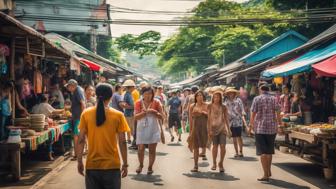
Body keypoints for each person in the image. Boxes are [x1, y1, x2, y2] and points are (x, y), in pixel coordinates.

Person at [77, 83, 129, 189]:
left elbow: (81, 140)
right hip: (112, 166)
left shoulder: (86, 114)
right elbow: (122, 142)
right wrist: (125, 163)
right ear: (111, 96)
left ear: (96, 95)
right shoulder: (118, 115)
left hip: (92, 165)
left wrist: (79, 161)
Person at [249, 83, 281, 182]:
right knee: (269, 151)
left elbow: (253, 113)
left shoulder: (257, 99)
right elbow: (278, 112)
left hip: (260, 128)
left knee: (263, 152)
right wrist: (279, 124)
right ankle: (268, 170)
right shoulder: (274, 98)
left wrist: (250, 126)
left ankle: (265, 175)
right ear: (268, 89)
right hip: (272, 128)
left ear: (260, 89)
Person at [134, 87, 164, 175]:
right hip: (141, 127)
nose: (148, 95)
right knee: (141, 148)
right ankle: (141, 165)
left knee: (152, 149)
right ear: (142, 94)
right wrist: (144, 113)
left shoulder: (157, 102)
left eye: (150, 93)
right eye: (146, 93)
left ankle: (150, 166)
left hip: (153, 127)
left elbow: (162, 116)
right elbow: (136, 117)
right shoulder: (138, 103)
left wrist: (154, 112)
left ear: (153, 94)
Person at [208, 91, 231, 173]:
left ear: (220, 98)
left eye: (218, 97)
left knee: (222, 146)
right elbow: (208, 119)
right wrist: (209, 129)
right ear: (213, 98)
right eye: (215, 97)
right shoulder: (210, 106)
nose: (216, 98)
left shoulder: (224, 106)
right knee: (215, 146)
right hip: (213, 129)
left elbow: (226, 118)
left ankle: (221, 163)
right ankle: (214, 163)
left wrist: (229, 129)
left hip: (222, 128)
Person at [65, 79, 86, 160]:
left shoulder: (78, 91)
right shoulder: (77, 91)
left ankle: (77, 155)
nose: (68, 88)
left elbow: (83, 103)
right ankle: (78, 154)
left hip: (78, 117)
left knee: (76, 136)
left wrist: (83, 116)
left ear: (72, 85)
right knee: (77, 135)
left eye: (68, 86)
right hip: (77, 116)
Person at [189, 90, 208, 172]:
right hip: (195, 128)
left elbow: (210, 116)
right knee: (195, 147)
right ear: (195, 97)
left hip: (205, 128)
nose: (200, 97)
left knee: (205, 145)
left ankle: (215, 163)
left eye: (201, 95)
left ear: (203, 97)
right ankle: (195, 165)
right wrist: (190, 131)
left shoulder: (207, 105)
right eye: (198, 95)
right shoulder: (192, 106)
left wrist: (203, 113)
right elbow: (190, 119)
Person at [224, 88, 247, 158]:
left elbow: (242, 110)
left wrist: (245, 122)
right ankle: (236, 152)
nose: (231, 94)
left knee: (239, 137)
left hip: (238, 121)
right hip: (230, 122)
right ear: (227, 94)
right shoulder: (226, 101)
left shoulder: (238, 100)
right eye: (229, 93)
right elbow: (225, 111)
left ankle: (241, 151)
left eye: (232, 93)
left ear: (234, 94)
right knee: (234, 138)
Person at [122, 79, 136, 144]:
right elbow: (128, 105)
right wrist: (134, 106)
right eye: (133, 86)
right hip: (129, 113)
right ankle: (133, 140)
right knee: (131, 127)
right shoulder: (128, 95)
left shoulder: (128, 94)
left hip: (128, 113)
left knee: (129, 127)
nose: (134, 88)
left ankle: (130, 139)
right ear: (130, 87)